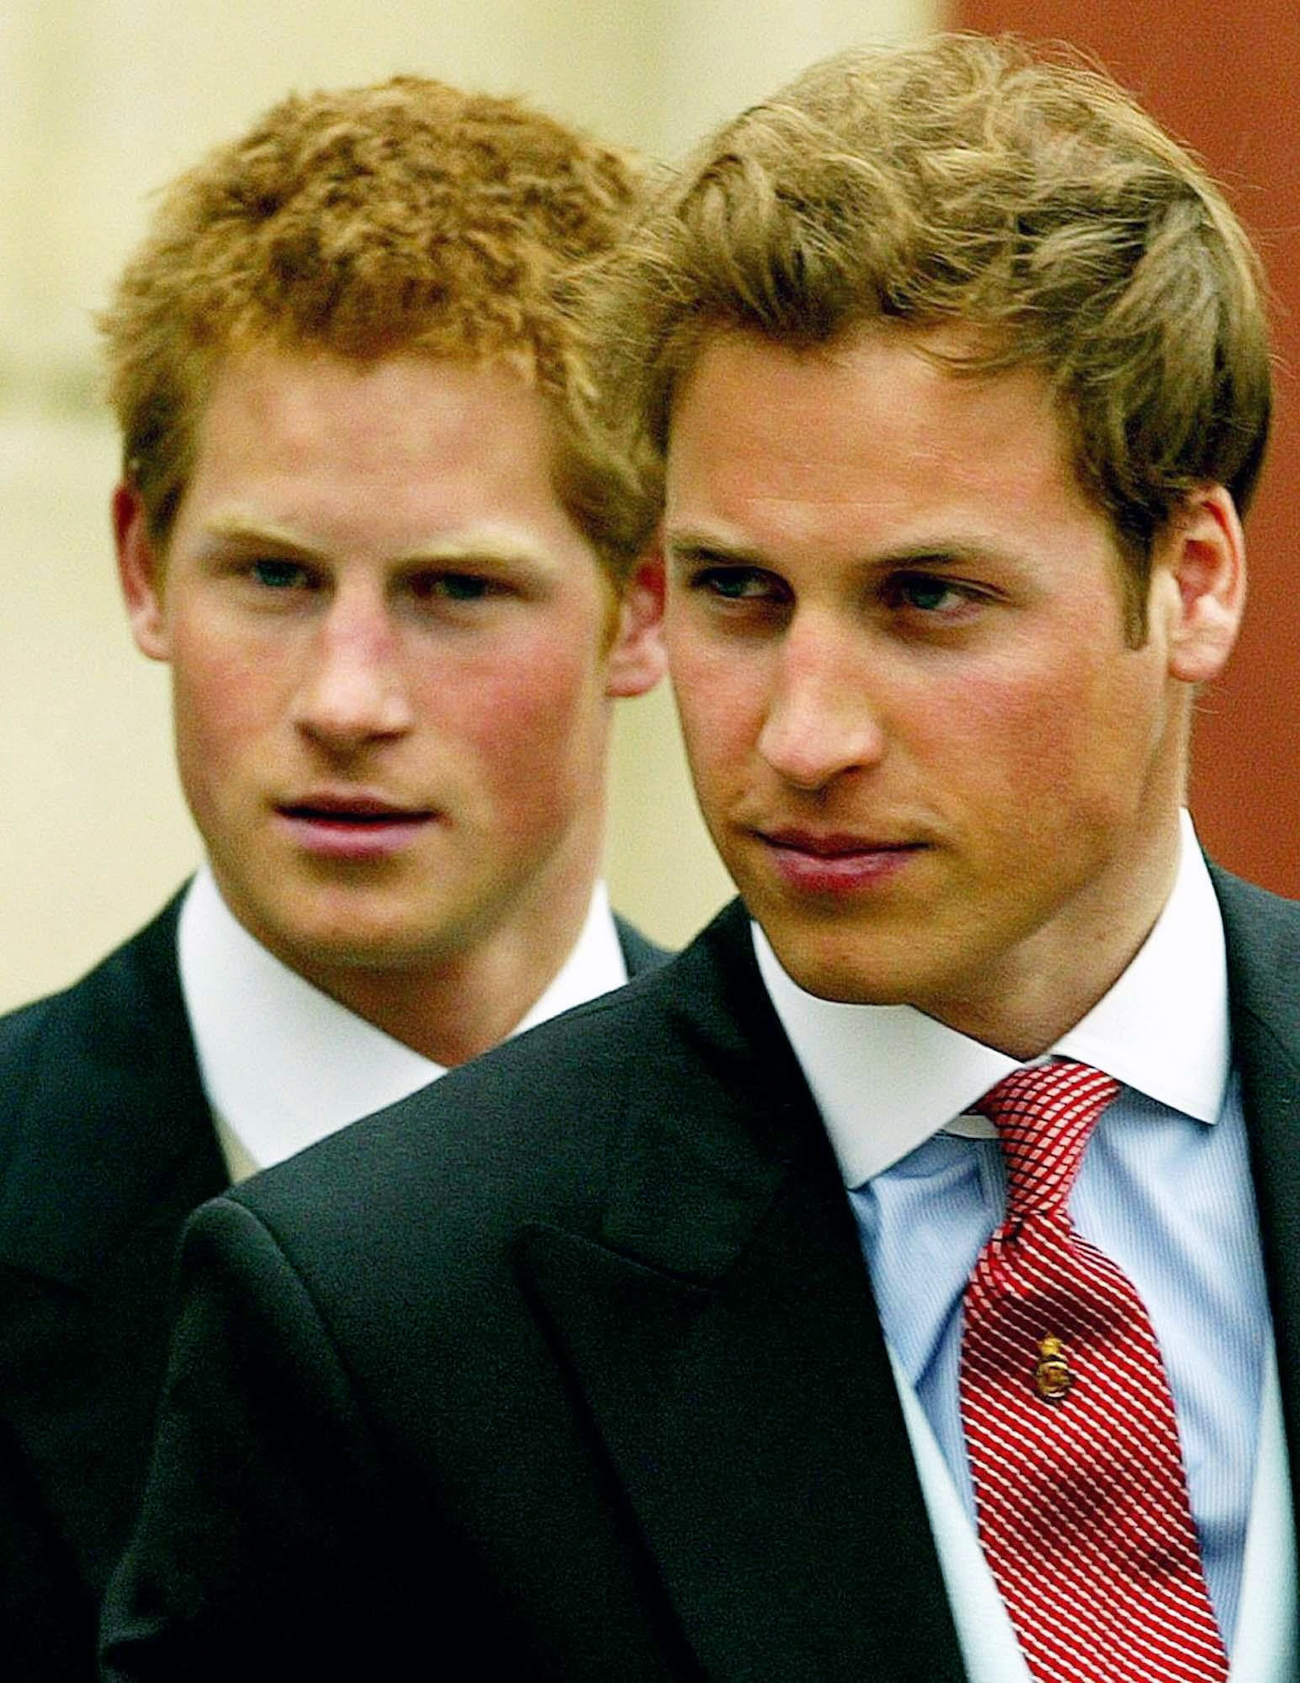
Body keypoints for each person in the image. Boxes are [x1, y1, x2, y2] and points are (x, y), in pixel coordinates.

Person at [100, 34, 1298, 1683]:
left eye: (927, 599)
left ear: (1195, 580)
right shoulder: (377, 1303)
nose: (803, 736)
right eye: (740, 593)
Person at [0, 75, 667, 1680]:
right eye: (276, 576)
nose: (348, 697)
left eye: (455, 588)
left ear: (645, 607)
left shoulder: (864, 1195)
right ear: (143, 566)